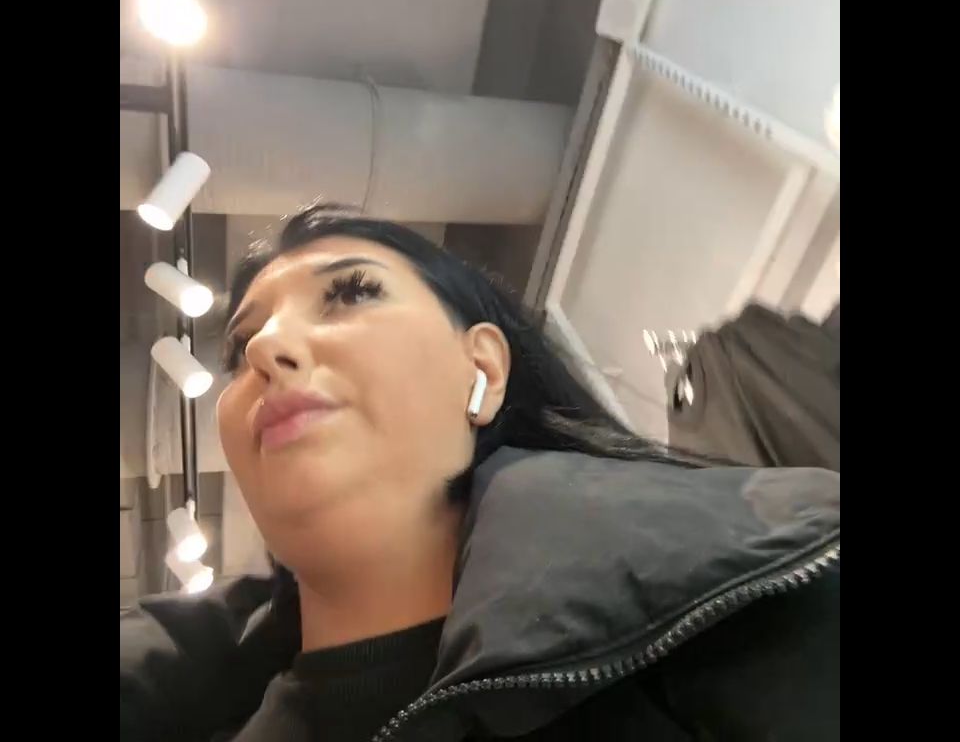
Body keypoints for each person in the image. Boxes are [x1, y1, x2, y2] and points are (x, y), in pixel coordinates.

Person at [120, 204, 840, 742]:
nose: (264, 348)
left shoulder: (767, 613)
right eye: (240, 343)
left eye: (352, 292)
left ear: (485, 370)